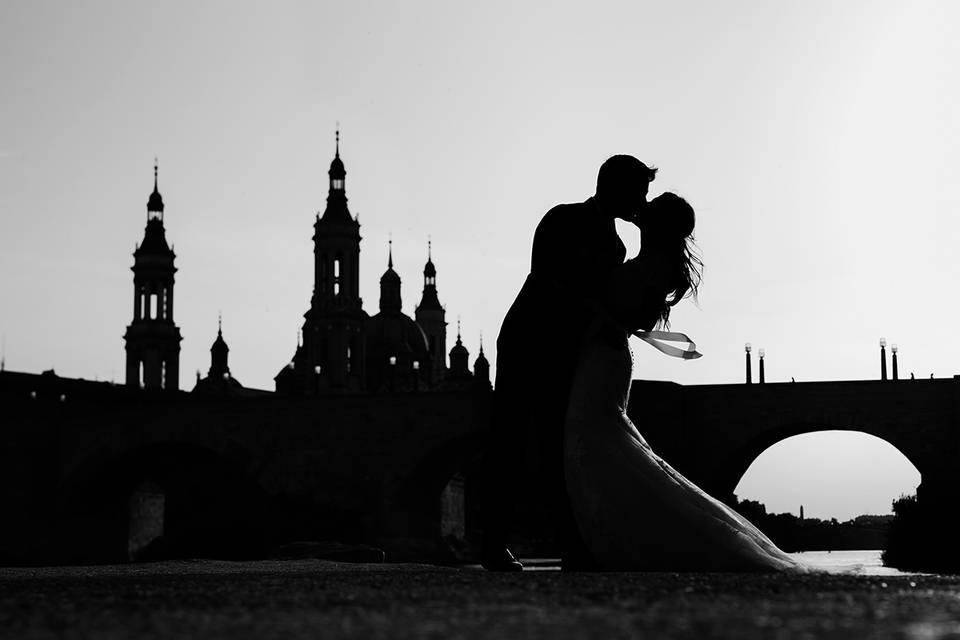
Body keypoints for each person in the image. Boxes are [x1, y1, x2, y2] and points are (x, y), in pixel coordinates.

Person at [563, 193, 804, 571]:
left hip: (605, 355)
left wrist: (597, 313)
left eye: (650, 205)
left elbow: (634, 315)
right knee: (602, 443)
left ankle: (620, 543)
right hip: (604, 355)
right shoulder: (649, 261)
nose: (642, 206)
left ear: (659, 223)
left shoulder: (655, 265)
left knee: (598, 439)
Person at [480, 155, 657, 571]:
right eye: (639, 193)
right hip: (528, 340)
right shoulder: (561, 219)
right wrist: (600, 316)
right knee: (510, 439)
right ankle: (493, 544)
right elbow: (547, 279)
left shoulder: (617, 246)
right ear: (615, 187)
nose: (642, 203)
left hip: (565, 352)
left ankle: (572, 545)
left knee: (555, 446)